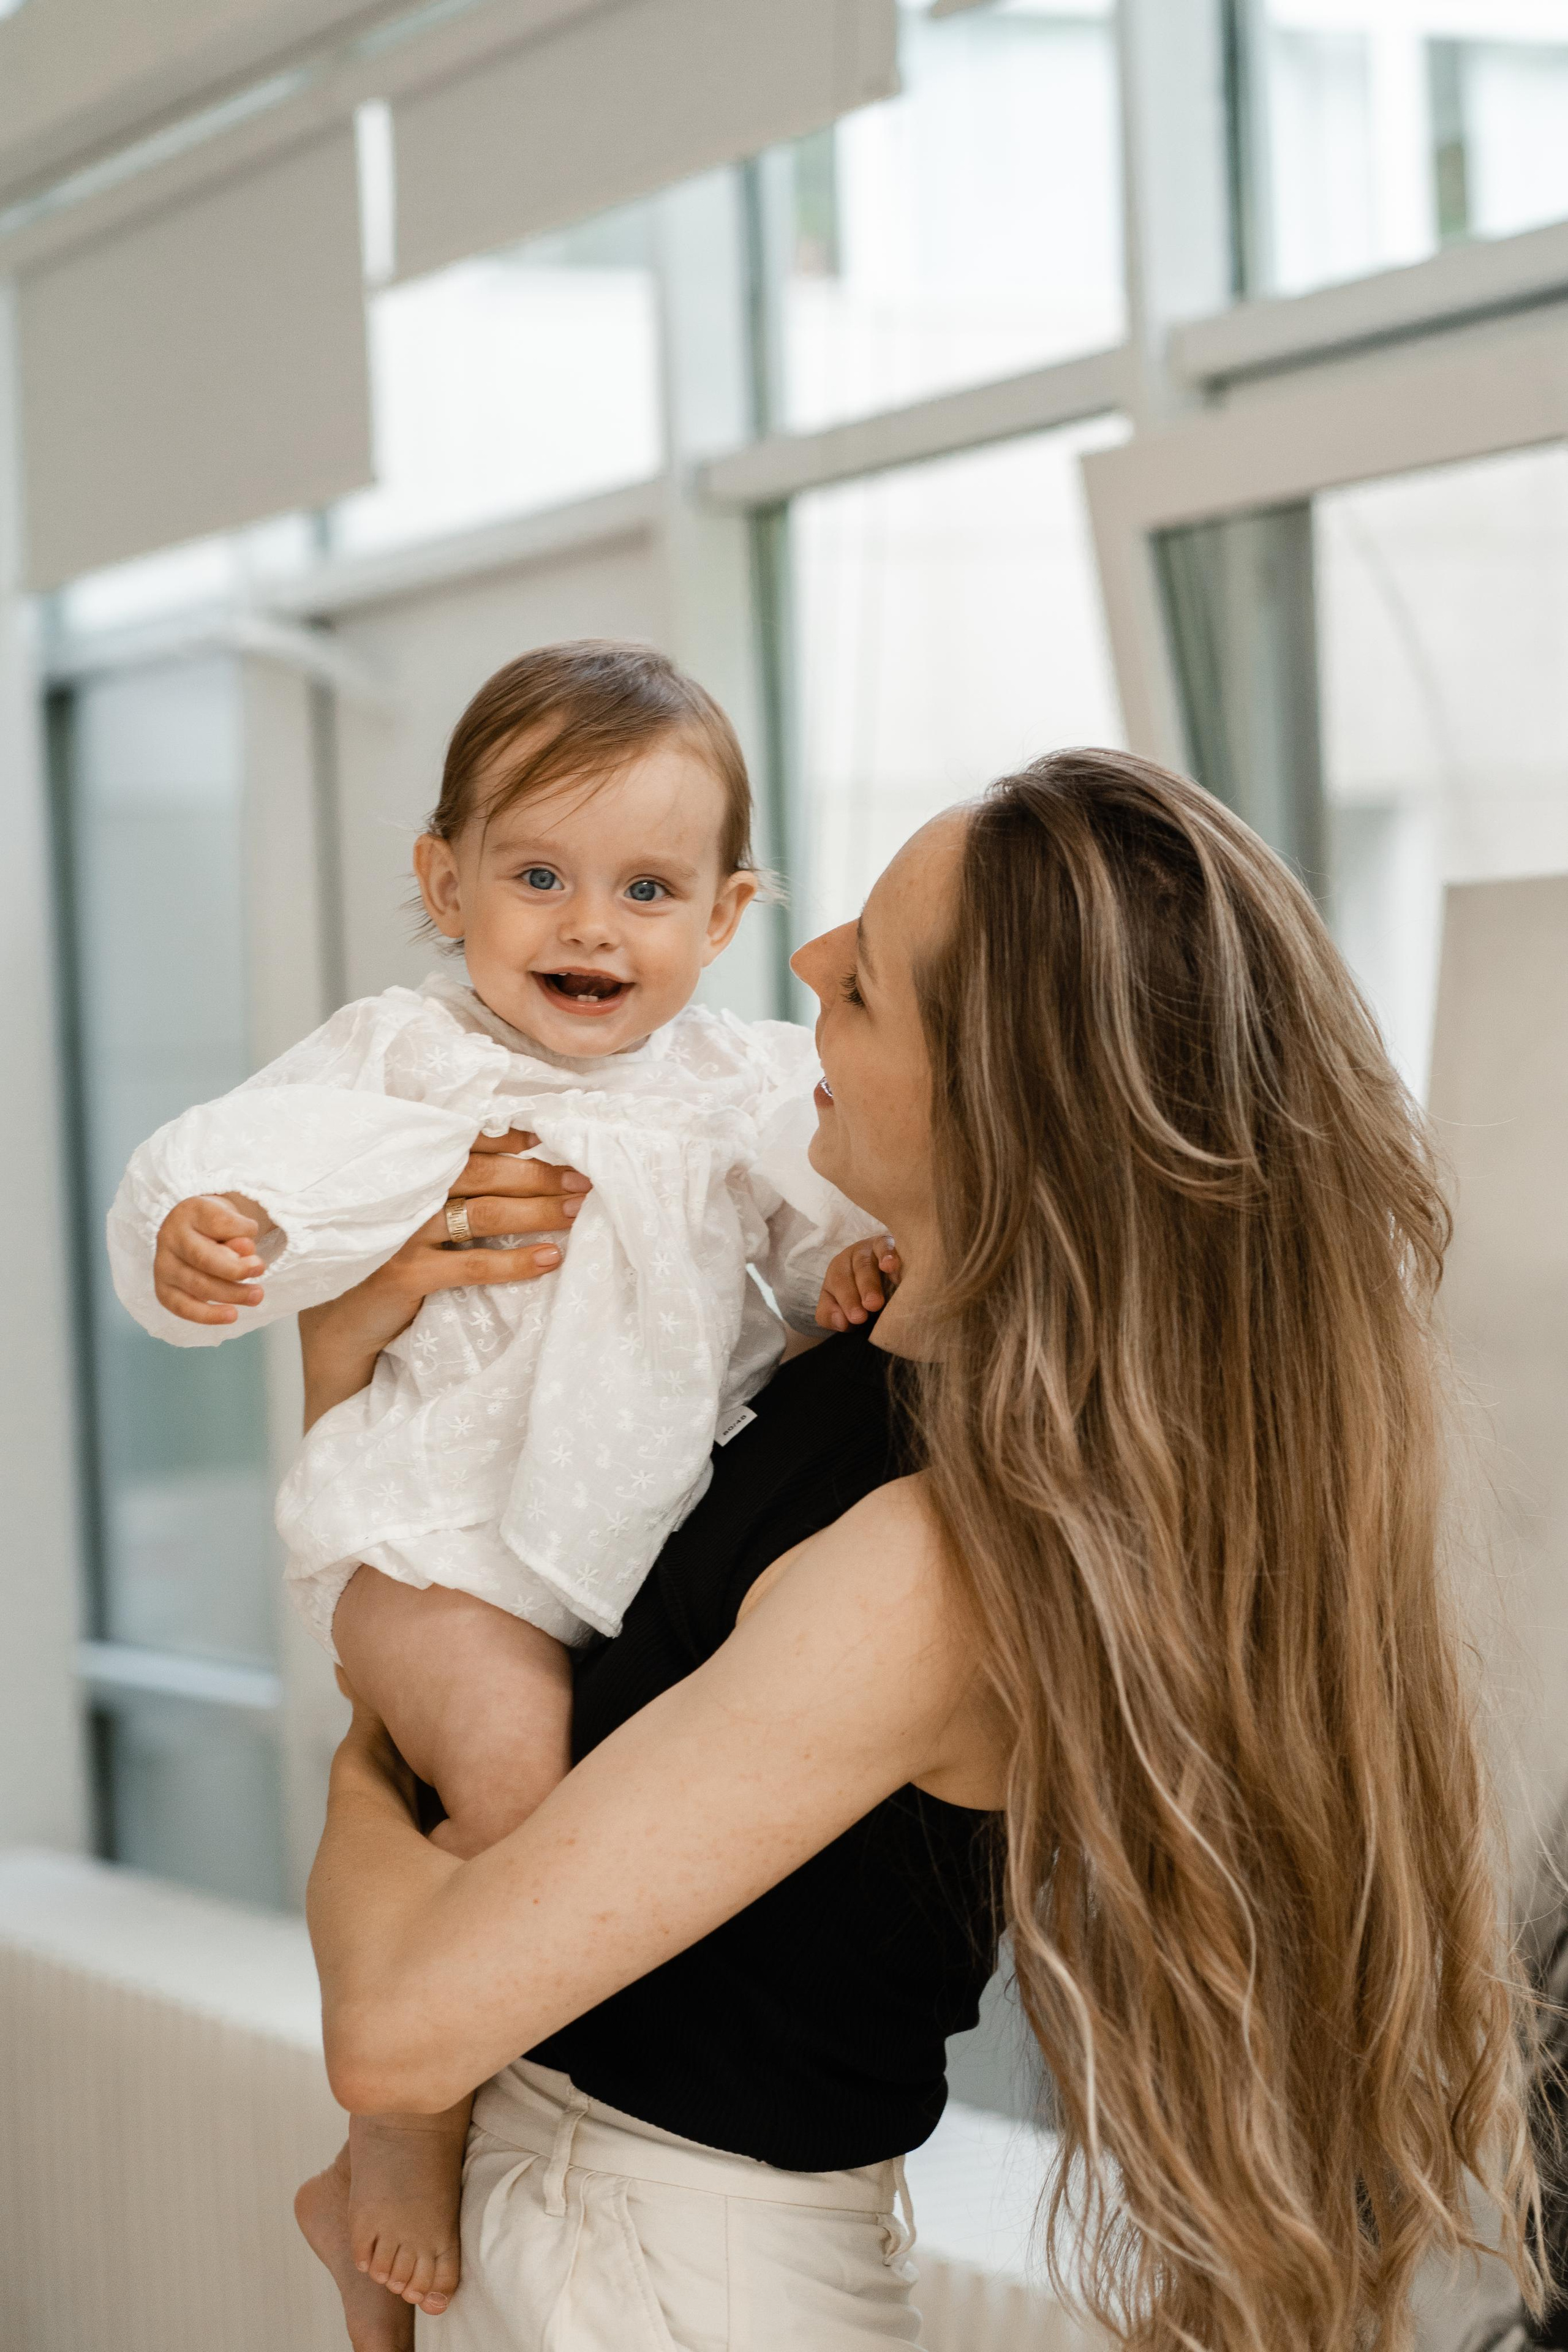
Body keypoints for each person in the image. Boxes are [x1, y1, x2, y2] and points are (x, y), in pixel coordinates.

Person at [298, 750, 1544, 2352]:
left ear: (995, 1105)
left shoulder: (930, 1572)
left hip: (667, 2289)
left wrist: (363, 1766)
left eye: (867, 985)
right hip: (573, 2220)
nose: (806, 959)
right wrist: (348, 1342)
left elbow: (395, 2029)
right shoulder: (847, 1364)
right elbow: (448, 1563)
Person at [102, 641, 887, 2331]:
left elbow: (823, 1236)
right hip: (433, 1539)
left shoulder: (745, 1085)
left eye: (647, 889)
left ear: (726, 916)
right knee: (520, 1775)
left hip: (620, 1557)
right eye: (538, 877)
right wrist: (197, 1236)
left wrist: (852, 1274)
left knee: (548, 1783)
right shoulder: (407, 1061)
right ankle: (395, 2135)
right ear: (444, 884)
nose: (590, 926)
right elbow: (217, 1163)